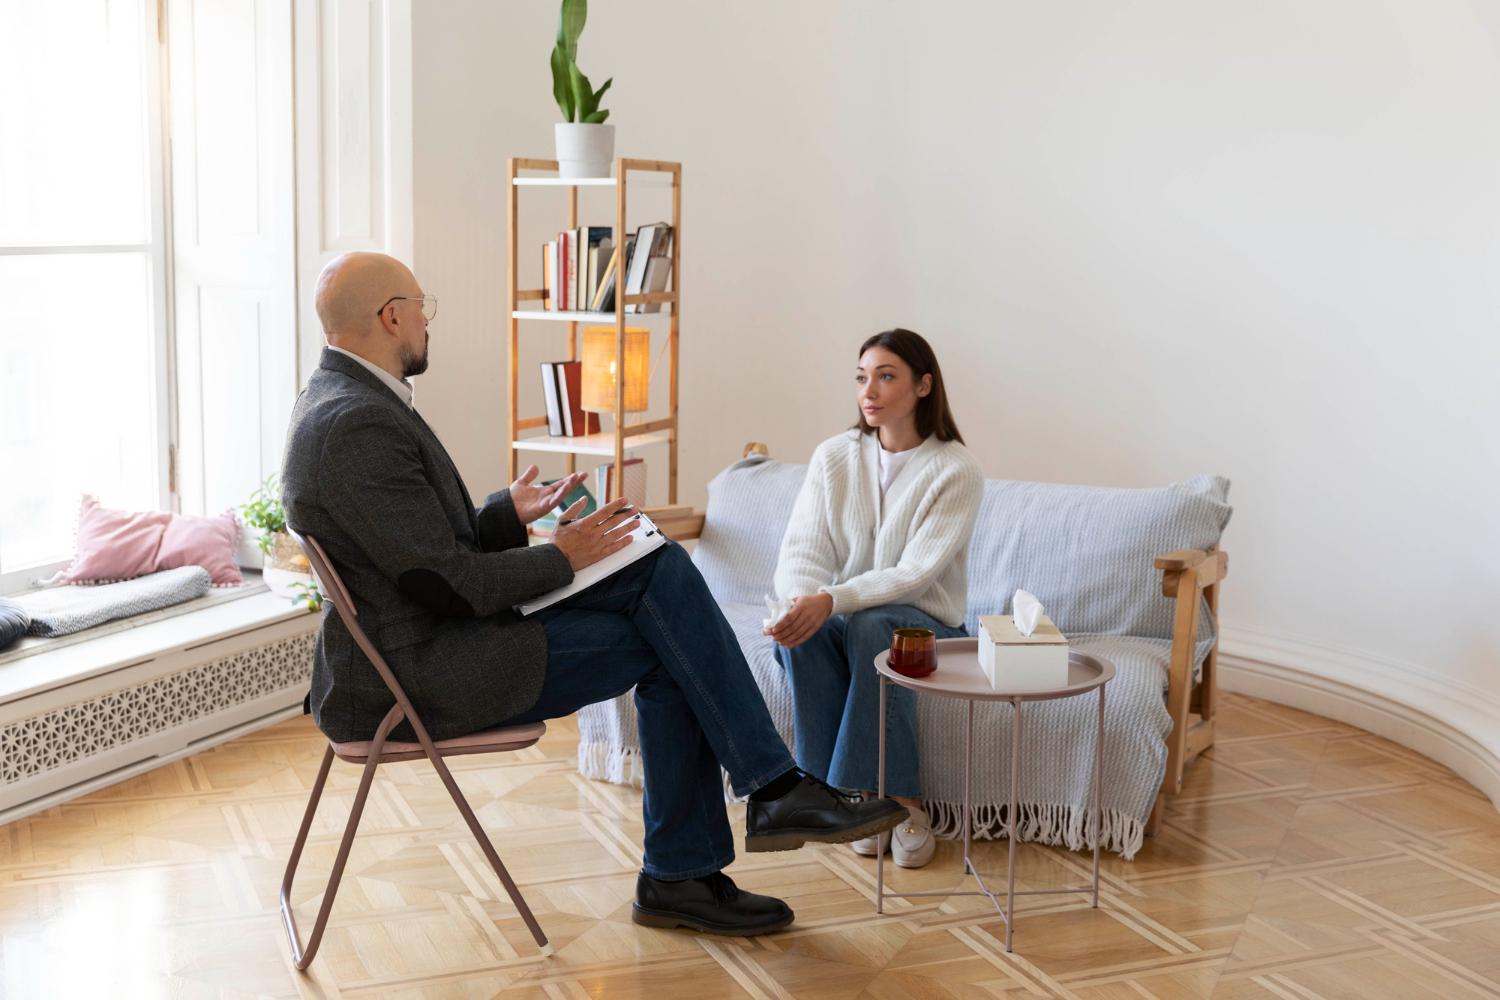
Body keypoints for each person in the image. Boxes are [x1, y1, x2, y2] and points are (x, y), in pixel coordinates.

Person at [281, 252, 906, 937]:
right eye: (421, 306)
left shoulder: (348, 403)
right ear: (390, 316)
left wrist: (503, 515)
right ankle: (716, 842)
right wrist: (560, 555)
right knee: (672, 630)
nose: (428, 321)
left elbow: (416, 556)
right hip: (426, 674)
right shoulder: (355, 423)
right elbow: (452, 585)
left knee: (660, 578)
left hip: (434, 642)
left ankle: (731, 831)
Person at [768, 329, 983, 868]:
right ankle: (840, 799)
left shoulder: (957, 470)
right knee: (804, 635)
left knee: (873, 629)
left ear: (924, 386)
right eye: (862, 377)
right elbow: (803, 549)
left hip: (928, 631)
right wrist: (803, 604)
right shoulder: (833, 457)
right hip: (847, 621)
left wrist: (831, 600)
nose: (870, 390)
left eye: (887, 376)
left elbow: (914, 575)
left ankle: (893, 802)